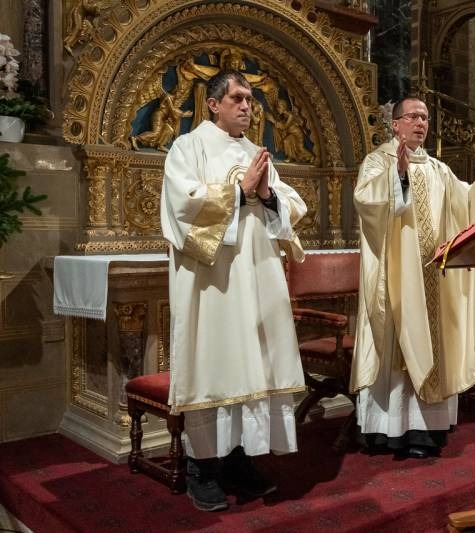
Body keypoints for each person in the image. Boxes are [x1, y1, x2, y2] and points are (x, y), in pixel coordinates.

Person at [160, 70, 308, 512]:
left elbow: (292, 204)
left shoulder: (256, 153)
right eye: (238, 98)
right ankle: (203, 467)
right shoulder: (188, 147)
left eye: (250, 99)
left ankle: (240, 457)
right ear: (213, 104)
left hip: (258, 277)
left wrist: (267, 195)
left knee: (254, 365)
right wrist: (239, 193)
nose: (247, 106)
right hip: (213, 285)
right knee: (214, 364)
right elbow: (181, 206)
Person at [351, 96, 475, 459]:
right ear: (395, 124)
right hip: (397, 279)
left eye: (426, 118)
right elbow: (367, 204)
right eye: (413, 117)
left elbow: (468, 202)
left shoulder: (437, 169)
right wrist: (397, 177)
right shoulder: (377, 162)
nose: (421, 123)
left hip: (434, 277)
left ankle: (426, 430)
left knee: (432, 344)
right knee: (400, 345)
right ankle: (387, 430)